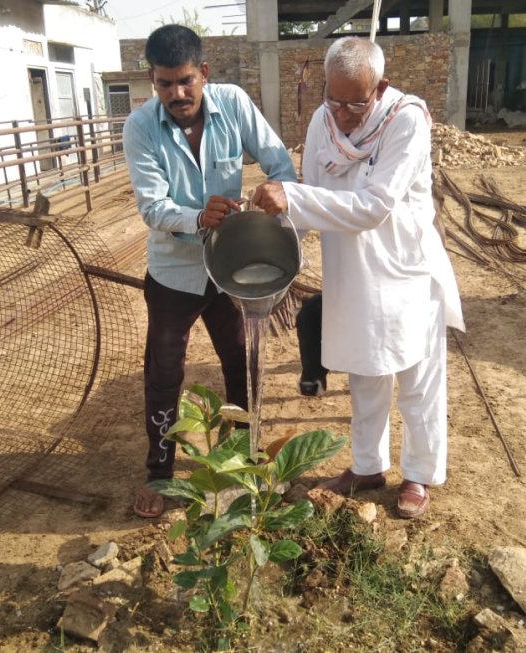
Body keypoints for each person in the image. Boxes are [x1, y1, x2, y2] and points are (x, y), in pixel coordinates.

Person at [251, 37, 465, 519]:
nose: (344, 114)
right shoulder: (321, 121)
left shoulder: (405, 119)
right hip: (352, 272)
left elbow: (374, 206)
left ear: (380, 87)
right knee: (367, 374)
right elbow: (307, 198)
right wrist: (271, 234)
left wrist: (295, 199)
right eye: (334, 98)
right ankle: (368, 466)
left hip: (405, 271)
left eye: (356, 102)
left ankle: (419, 474)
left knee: (417, 378)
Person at [123, 24, 296, 518]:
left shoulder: (235, 104)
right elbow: (153, 207)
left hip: (229, 267)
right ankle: (159, 473)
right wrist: (197, 218)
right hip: (173, 273)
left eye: (184, 81)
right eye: (163, 84)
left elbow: (280, 163)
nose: (176, 94)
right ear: (152, 82)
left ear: (203, 72)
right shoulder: (140, 127)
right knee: (164, 371)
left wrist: (274, 196)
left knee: (240, 361)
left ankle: (245, 463)